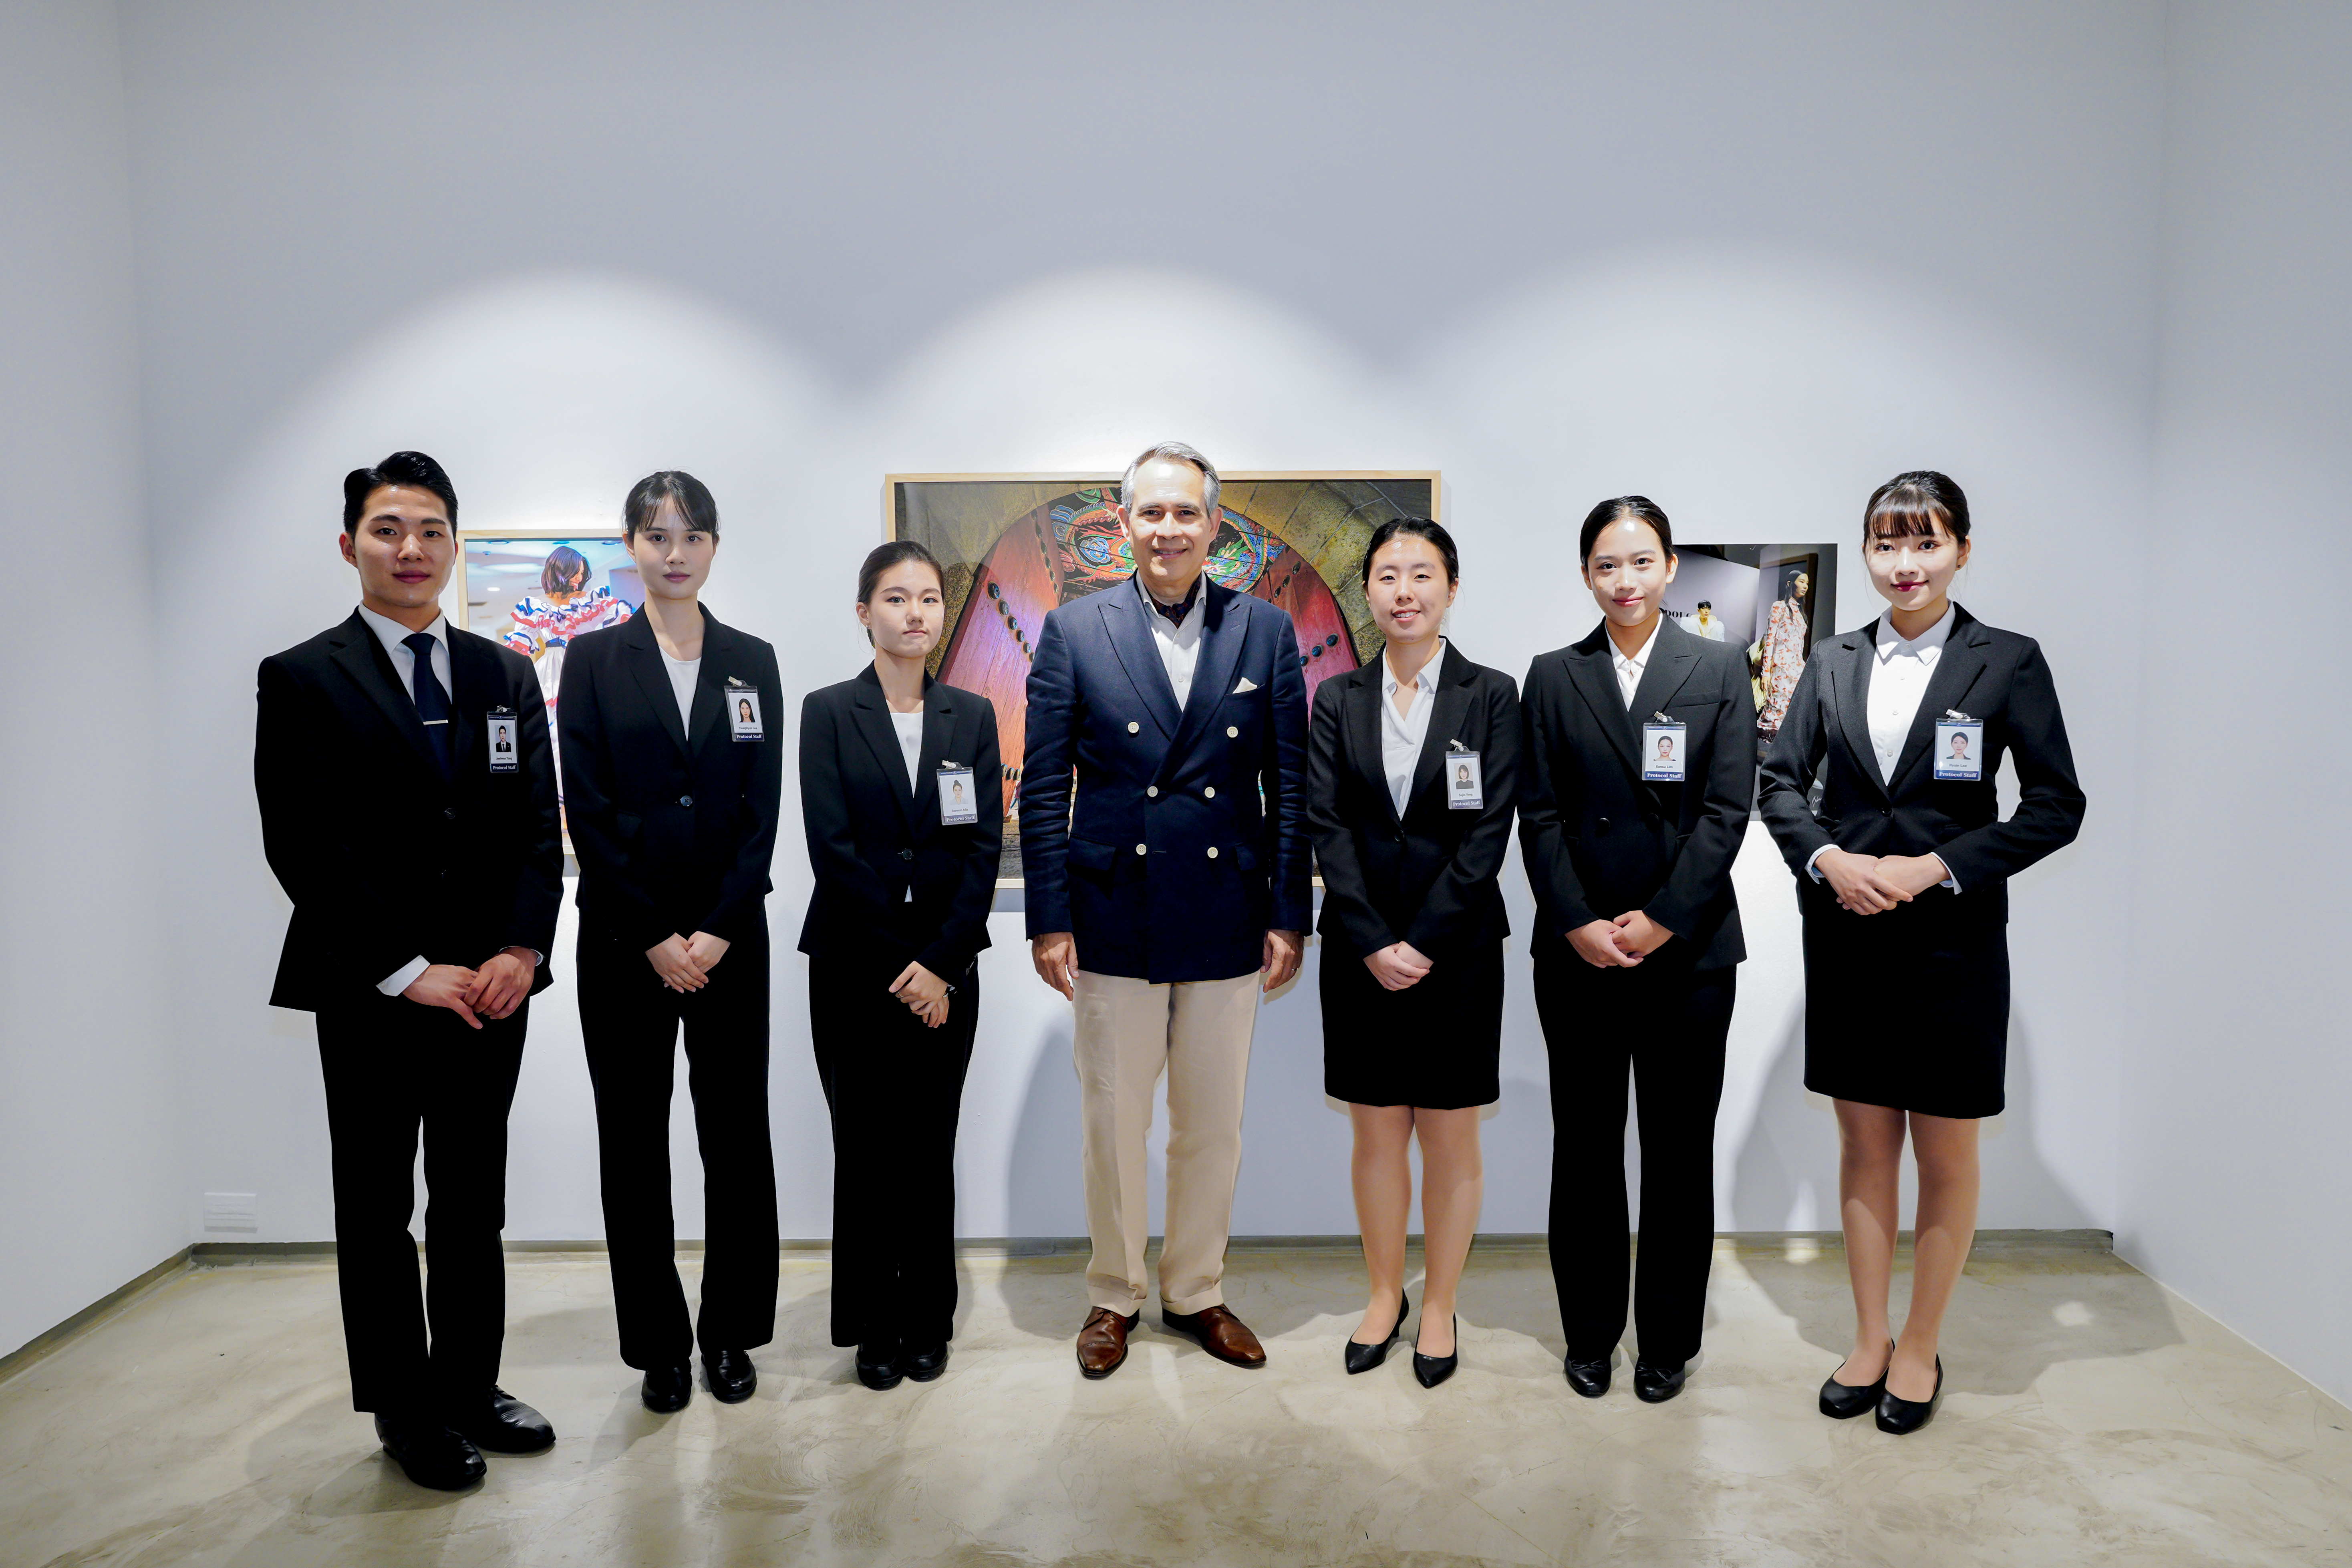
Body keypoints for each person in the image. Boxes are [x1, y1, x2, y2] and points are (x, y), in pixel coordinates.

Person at [254, 451, 561, 1490]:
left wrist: (520, 948)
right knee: (378, 1208)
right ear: (351, 547)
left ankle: (470, 1385)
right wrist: (404, 966)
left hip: (489, 993)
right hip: (371, 990)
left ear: (453, 544)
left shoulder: (504, 673)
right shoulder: (302, 676)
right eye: (388, 529)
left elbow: (536, 829)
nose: (411, 548)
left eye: (431, 529)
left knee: (472, 1201)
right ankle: (404, 1407)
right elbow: (303, 845)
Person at [1758, 471, 2085, 1435]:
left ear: (1960, 551)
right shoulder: (1828, 659)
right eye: (1885, 544)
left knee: (1944, 1153)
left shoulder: (2007, 660)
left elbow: (2054, 806)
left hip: (1952, 942)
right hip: (1848, 936)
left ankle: (1918, 1345)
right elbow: (1777, 784)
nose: (1904, 564)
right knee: (1862, 1147)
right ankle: (1867, 1337)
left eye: (1924, 542)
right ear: (1865, 553)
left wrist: (1937, 866)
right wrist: (1827, 858)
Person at [1022, 441, 1311, 1378]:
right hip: (1113, 909)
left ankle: (1193, 1290)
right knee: (1112, 1122)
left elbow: (1289, 785)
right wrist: (1049, 917)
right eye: (1150, 512)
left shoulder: (1263, 630)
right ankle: (1113, 1293)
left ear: (1213, 524)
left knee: (1210, 1123)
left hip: (1226, 910)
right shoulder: (1073, 629)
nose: (1168, 529)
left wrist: (1286, 912)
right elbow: (1042, 787)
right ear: (1122, 522)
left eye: (1186, 512)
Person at [556, 472, 784, 1413]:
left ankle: (729, 1331)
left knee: (737, 1141)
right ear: (631, 546)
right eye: (657, 536)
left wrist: (717, 927)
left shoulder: (751, 659)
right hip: (623, 944)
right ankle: (658, 1343)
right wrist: (654, 934)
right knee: (632, 1145)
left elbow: (761, 811)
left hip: (731, 943)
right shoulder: (592, 659)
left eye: (691, 536)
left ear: (714, 546)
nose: (675, 552)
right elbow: (587, 809)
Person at [1519, 496, 1754, 1406]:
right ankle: (1588, 1333)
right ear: (1586, 574)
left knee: (1676, 1152)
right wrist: (1577, 920)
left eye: (1641, 561)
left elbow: (1725, 809)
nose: (1624, 580)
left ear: (1669, 567)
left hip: (1687, 952)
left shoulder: (1717, 665)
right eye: (1606, 565)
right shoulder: (1553, 675)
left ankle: (1665, 1341)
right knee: (1583, 1149)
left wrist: (1660, 917)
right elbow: (1537, 814)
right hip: (1577, 953)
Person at [1305, 518, 1518, 1389]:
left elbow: (1488, 830)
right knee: (1376, 1134)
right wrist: (1372, 939)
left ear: (1450, 588)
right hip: (1359, 955)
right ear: (1367, 590)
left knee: (1450, 1135)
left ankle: (1440, 1305)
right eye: (1387, 575)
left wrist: (1420, 942)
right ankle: (1383, 1294)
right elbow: (1326, 824)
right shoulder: (1336, 698)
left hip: (1456, 951)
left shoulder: (1490, 694)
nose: (1404, 591)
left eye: (1421, 574)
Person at [798, 540, 1001, 1390]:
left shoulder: (972, 715)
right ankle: (872, 1324)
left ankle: (927, 1319)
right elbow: (832, 850)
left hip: (947, 969)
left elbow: (983, 850)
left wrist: (940, 964)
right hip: (856, 964)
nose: (914, 613)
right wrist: (903, 967)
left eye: (927, 599)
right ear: (864, 612)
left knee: (927, 1146)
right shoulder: (826, 711)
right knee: (865, 1150)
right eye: (895, 597)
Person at [1752, 570, 1811, 733]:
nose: (1805, 586)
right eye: (1801, 582)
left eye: (1807, 583)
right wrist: (1766, 673)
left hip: (1797, 668)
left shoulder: (1800, 612)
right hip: (1780, 668)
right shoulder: (1779, 607)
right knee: (1775, 714)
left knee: (1792, 713)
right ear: (1790, 584)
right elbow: (1770, 639)